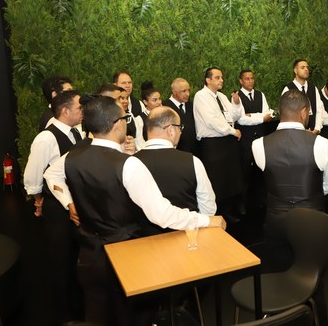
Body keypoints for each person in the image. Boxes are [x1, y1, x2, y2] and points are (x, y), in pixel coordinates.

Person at [44, 96, 226, 325]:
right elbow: (162, 214)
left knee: (97, 317)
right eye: (125, 118)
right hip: (126, 258)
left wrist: (69, 202)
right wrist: (206, 220)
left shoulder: (72, 157)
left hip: (89, 255)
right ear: (117, 124)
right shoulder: (128, 164)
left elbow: (50, 174)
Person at [252, 90, 328, 326]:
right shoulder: (321, 143)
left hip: (276, 221)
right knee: (314, 285)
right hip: (312, 221)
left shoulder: (259, 144)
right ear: (304, 112)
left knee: (279, 280)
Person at [23, 90, 84, 324]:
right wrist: (39, 199)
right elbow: (32, 177)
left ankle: (78, 306)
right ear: (65, 111)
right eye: (79, 107)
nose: (83, 111)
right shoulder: (46, 138)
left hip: (76, 205)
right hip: (57, 209)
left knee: (76, 259)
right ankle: (64, 314)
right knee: (61, 260)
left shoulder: (79, 132)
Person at [135, 106, 216, 231]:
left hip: (144, 239)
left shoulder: (130, 162)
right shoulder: (193, 162)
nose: (181, 132)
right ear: (171, 130)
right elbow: (208, 209)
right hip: (188, 235)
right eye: (180, 128)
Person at [193, 67, 245, 223]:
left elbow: (234, 116)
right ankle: (216, 214)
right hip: (213, 144)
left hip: (227, 141)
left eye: (221, 77)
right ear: (208, 80)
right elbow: (212, 121)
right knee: (217, 180)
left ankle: (228, 211)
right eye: (217, 77)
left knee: (230, 178)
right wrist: (232, 131)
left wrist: (236, 103)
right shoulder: (201, 96)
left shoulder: (221, 96)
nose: (221, 80)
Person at [235, 69, 273, 213]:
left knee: (261, 170)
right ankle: (242, 204)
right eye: (247, 78)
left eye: (252, 78)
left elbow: (268, 113)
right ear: (241, 81)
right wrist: (261, 118)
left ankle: (261, 200)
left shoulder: (260, 94)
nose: (250, 81)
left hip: (260, 138)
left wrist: (253, 116)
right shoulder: (237, 97)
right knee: (244, 173)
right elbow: (241, 120)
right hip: (245, 141)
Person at [281, 59, 324, 134]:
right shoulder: (288, 89)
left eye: (307, 67)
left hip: (313, 132)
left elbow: (319, 110)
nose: (306, 69)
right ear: (295, 71)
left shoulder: (313, 88)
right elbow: (285, 114)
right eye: (302, 67)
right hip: (295, 133)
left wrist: (316, 129)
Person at [163, 78, 198, 155]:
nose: (188, 94)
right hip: (175, 153)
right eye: (184, 91)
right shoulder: (165, 107)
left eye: (188, 90)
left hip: (194, 152)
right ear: (174, 91)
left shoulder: (191, 105)